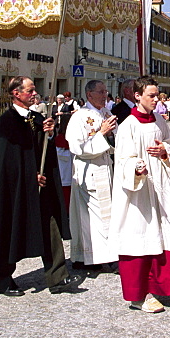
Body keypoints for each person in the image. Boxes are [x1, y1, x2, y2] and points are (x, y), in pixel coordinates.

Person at [106, 76, 170, 313]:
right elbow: (121, 160)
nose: (157, 100)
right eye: (151, 96)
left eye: (157, 95)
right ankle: (140, 295)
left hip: (161, 187)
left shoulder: (158, 121)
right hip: (138, 193)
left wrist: (165, 152)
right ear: (137, 96)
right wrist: (136, 168)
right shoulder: (128, 126)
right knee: (141, 240)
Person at [0, 76, 80, 296]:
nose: (34, 93)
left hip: (41, 187)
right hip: (15, 190)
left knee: (50, 228)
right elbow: (4, 164)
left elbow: (39, 150)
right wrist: (29, 177)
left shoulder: (37, 117)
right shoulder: (5, 124)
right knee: (9, 230)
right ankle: (4, 279)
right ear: (16, 94)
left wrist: (48, 132)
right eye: (30, 90)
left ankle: (57, 277)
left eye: (34, 90)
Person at [65, 79, 117, 272]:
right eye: (101, 92)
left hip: (104, 167)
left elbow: (114, 143)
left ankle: (105, 254)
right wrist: (102, 134)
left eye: (106, 91)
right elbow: (78, 147)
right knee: (92, 217)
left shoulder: (106, 113)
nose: (105, 95)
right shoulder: (80, 116)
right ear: (89, 95)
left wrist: (111, 136)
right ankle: (91, 256)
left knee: (106, 214)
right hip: (88, 170)